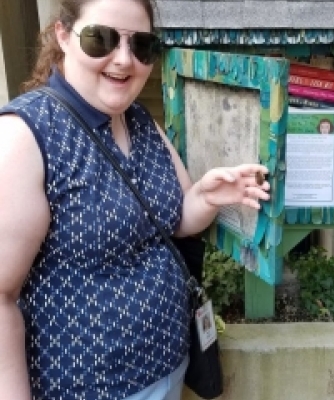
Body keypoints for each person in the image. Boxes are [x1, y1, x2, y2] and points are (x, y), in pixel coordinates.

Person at [0, 0, 270, 399]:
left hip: (169, 366)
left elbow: (175, 222)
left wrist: (207, 197)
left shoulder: (140, 120)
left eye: (140, 46)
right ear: (63, 35)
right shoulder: (26, 136)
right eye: (101, 39)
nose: (124, 60)